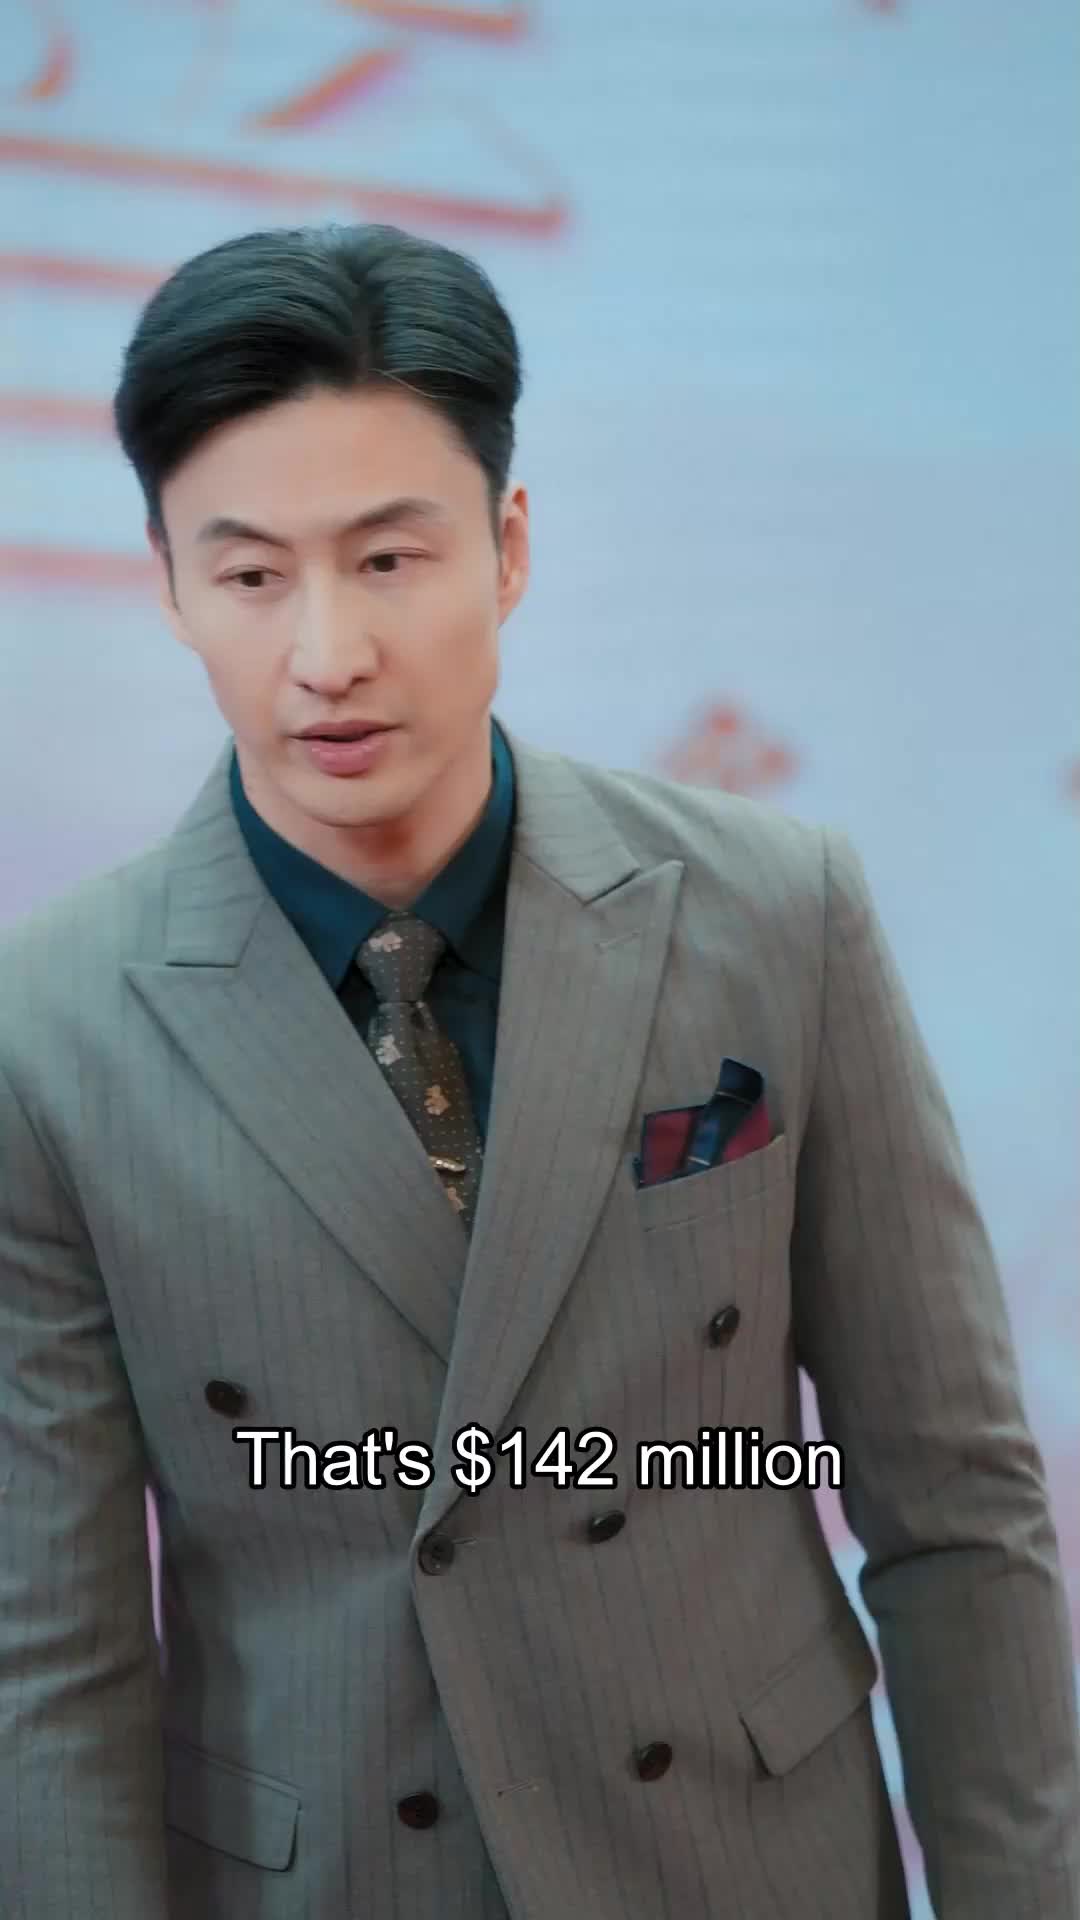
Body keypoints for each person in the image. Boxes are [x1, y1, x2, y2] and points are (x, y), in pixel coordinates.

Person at [0, 222, 1077, 1920]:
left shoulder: (774, 912)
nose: (327, 653)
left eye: (387, 558)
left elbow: (957, 1505)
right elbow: (50, 1668)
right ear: (169, 585)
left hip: (742, 1865)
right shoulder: (48, 1028)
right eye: (253, 575)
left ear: (508, 547)